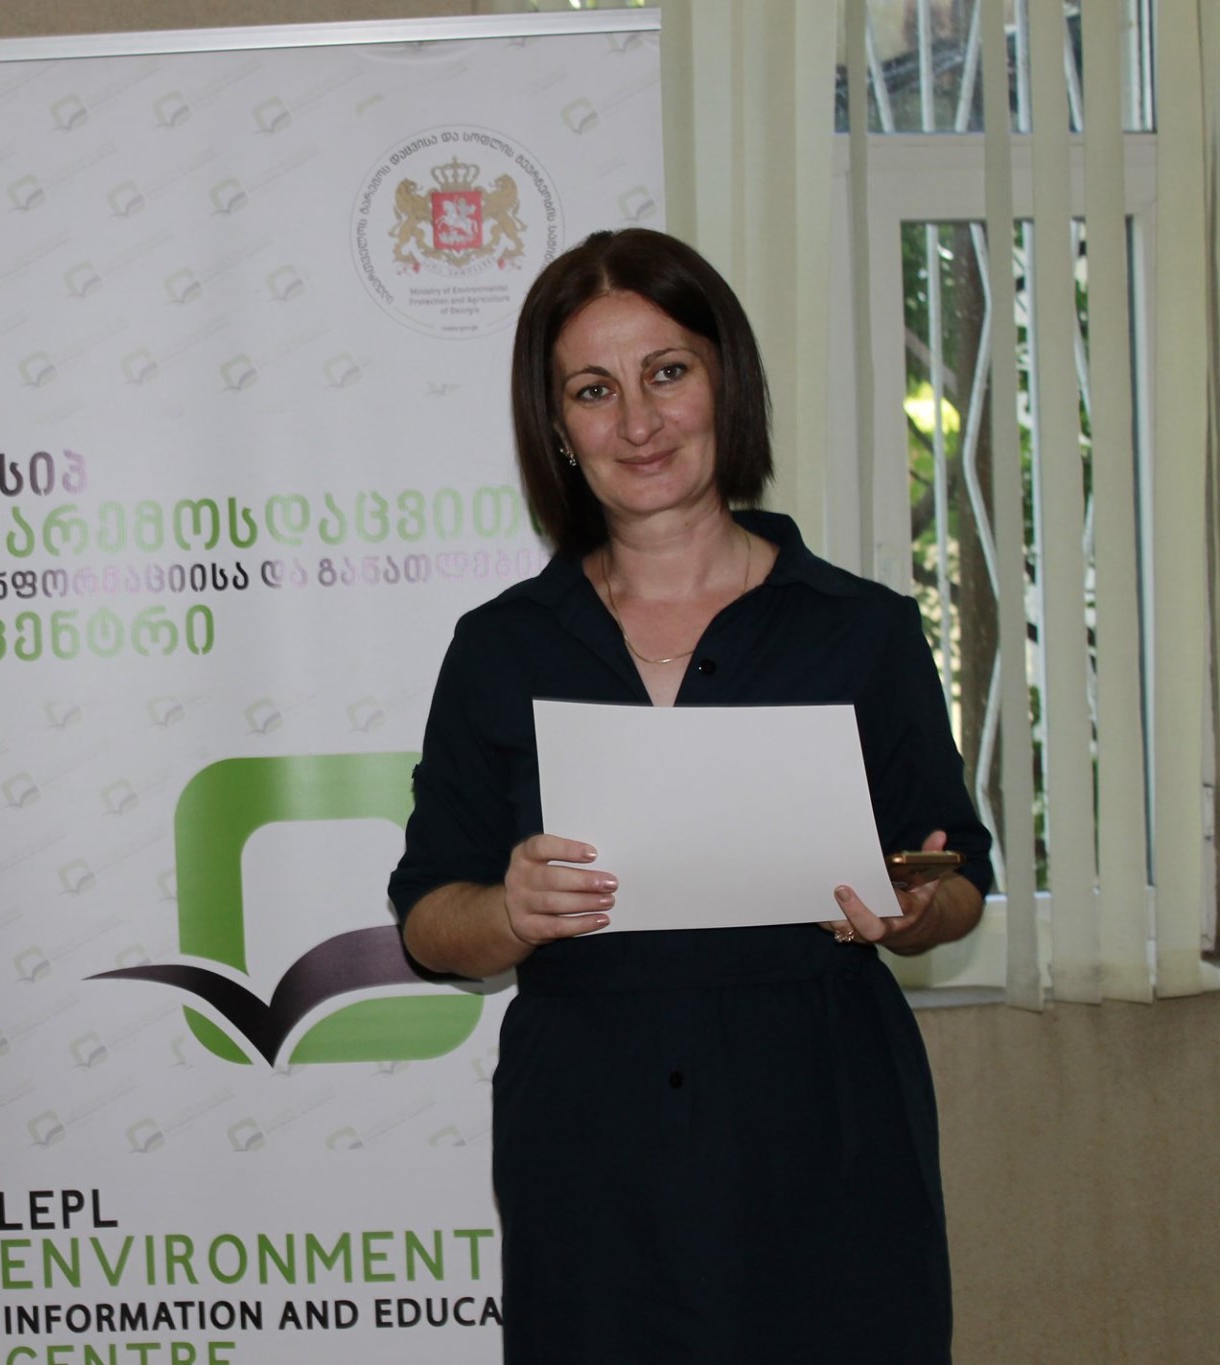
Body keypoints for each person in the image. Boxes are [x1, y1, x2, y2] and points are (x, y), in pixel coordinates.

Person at [388, 228, 989, 1363]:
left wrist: (912, 904)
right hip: (590, 1152)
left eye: (667, 372)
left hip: (826, 1133)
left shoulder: (862, 632)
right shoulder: (499, 649)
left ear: (726, 382)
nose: (638, 422)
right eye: (592, 390)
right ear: (555, 428)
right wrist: (508, 909)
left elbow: (958, 877)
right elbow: (427, 920)